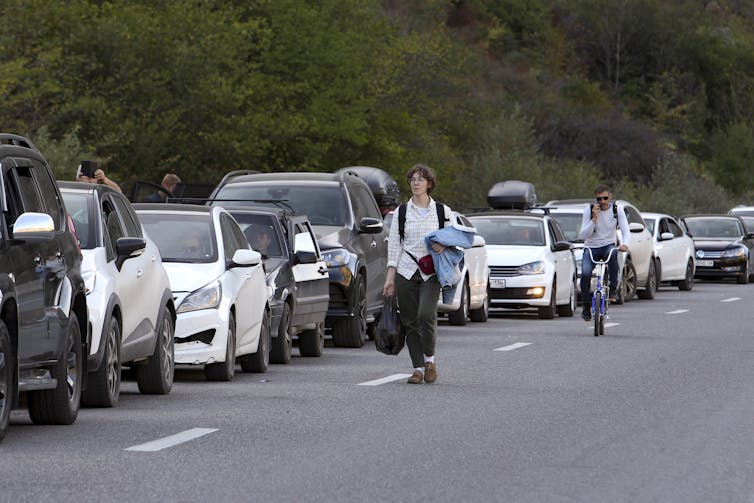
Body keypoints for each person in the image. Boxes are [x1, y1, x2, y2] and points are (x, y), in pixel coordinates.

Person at [383, 164, 452, 385]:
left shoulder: (442, 211)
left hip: (431, 272)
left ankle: (430, 359)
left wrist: (444, 245)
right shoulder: (402, 212)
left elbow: (457, 240)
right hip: (405, 271)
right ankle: (418, 368)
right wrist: (390, 279)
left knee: (426, 315)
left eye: (420, 179)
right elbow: (394, 246)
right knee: (410, 321)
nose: (415, 182)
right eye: (412, 179)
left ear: (429, 184)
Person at [579, 185, 630, 321]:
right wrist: (594, 219)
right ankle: (586, 307)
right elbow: (584, 235)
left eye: (605, 198)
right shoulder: (589, 211)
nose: (602, 201)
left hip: (608, 245)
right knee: (585, 273)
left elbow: (625, 229)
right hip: (591, 247)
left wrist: (625, 244)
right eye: (599, 199)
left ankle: (613, 289)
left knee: (613, 254)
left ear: (610, 197)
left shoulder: (616, 210)